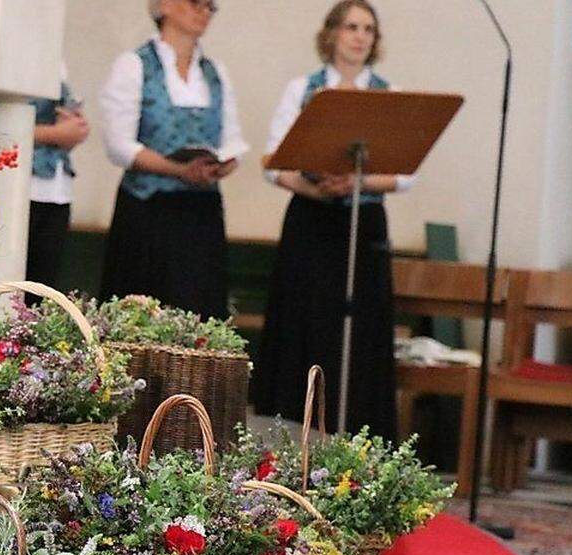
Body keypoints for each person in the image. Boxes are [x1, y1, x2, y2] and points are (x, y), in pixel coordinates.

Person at [252, 0, 411, 439]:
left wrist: (357, 183)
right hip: (311, 223)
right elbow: (273, 163)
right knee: (305, 322)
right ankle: (291, 433)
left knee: (360, 328)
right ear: (332, 34)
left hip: (363, 224)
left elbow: (404, 173)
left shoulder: (388, 93)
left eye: (369, 29)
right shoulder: (302, 89)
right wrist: (317, 187)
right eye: (352, 27)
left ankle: (357, 436)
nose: (360, 36)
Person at [97, 0, 247, 319]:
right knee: (141, 317)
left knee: (199, 314)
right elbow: (119, 145)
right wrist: (177, 169)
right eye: (195, 2)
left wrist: (223, 164)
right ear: (164, 5)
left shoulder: (214, 72)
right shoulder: (135, 64)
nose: (204, 11)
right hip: (147, 213)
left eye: (210, 6)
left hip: (200, 218)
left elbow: (232, 139)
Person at [27, 65, 88, 299]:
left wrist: (73, 128)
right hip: (19, 187)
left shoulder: (56, 56)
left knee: (41, 294)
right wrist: (55, 134)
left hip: (56, 189)